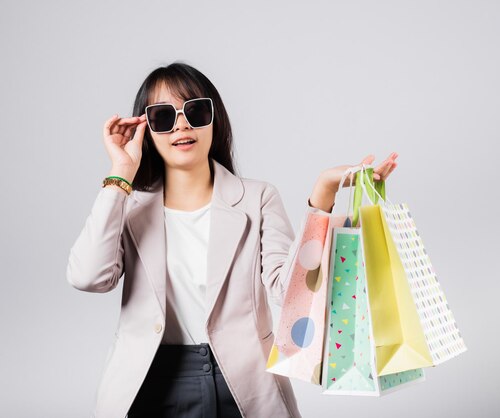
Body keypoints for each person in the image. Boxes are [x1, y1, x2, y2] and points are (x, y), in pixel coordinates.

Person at [66, 61, 398, 418]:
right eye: (163, 116)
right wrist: (121, 173)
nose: (181, 124)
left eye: (195, 111)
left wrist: (322, 195)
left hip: (243, 384)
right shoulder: (129, 208)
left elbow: (291, 297)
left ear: (214, 119)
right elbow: (89, 277)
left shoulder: (258, 199)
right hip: (149, 382)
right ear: (144, 129)